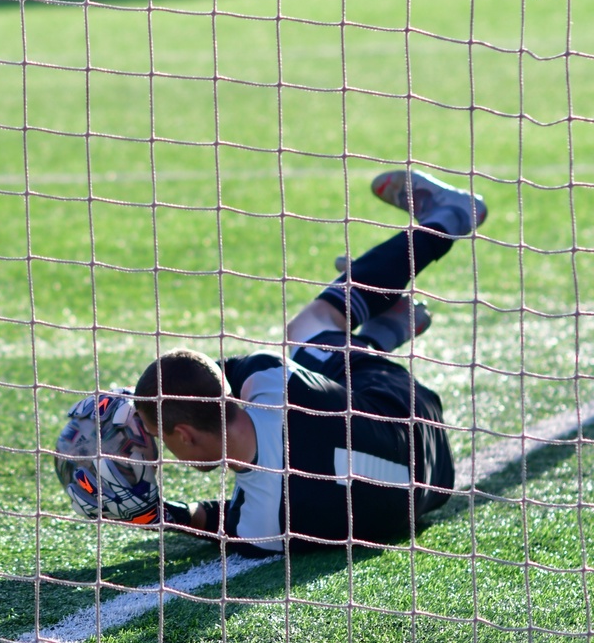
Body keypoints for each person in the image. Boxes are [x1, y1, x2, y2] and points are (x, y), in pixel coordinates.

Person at [58, 169, 486, 556]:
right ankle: (429, 235)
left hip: (434, 483)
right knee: (308, 329)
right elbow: (201, 375)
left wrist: (152, 513)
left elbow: (216, 519)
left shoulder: (266, 525)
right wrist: (146, 407)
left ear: (184, 434)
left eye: (160, 437)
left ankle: (402, 300)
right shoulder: (269, 379)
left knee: (323, 361)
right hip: (407, 408)